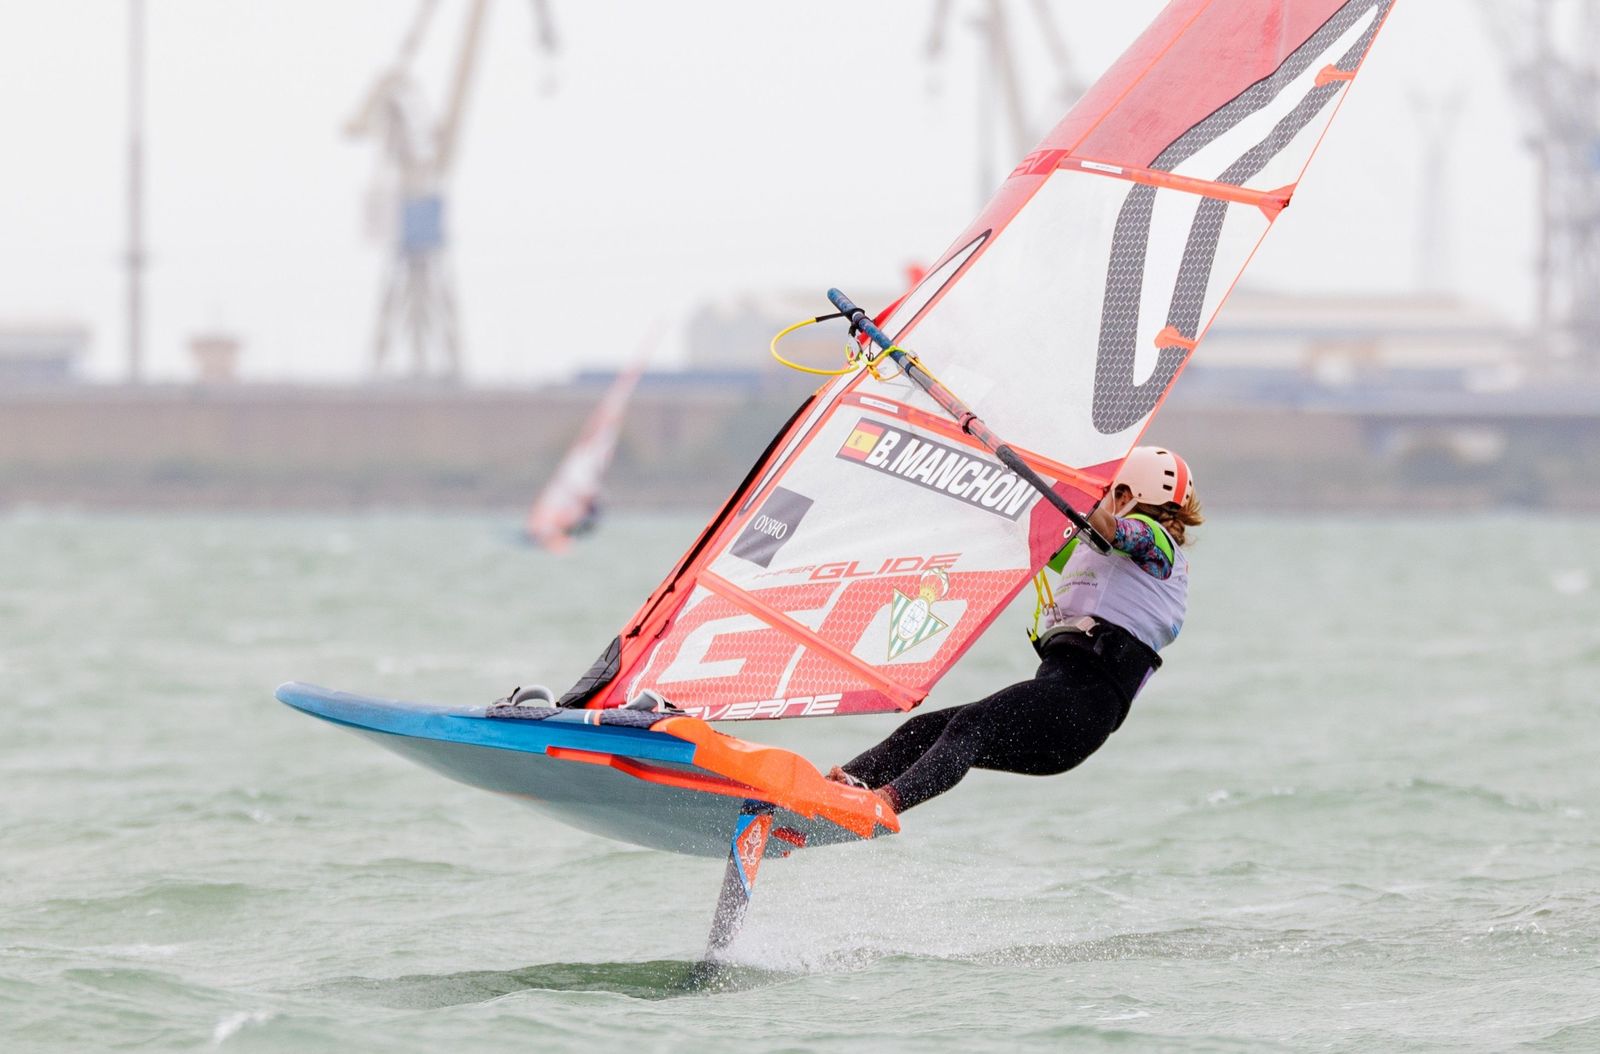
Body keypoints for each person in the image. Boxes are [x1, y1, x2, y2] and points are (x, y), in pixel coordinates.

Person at [827, 446, 1202, 814]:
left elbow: (1113, 530)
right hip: (1062, 712)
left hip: (1079, 710)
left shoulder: (1155, 543)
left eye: (1110, 492)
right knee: (924, 729)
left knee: (969, 727)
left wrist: (1080, 492)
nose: (1104, 498)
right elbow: (1042, 536)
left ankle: (883, 804)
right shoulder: (1096, 555)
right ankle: (841, 792)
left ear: (1127, 494)